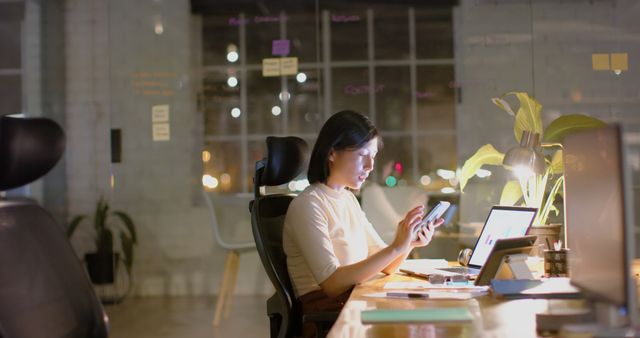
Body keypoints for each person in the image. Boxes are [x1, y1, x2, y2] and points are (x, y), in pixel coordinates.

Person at [283, 110, 443, 337]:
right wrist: (396, 247)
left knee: (431, 315)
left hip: (354, 304)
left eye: (374, 156)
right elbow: (332, 284)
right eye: (362, 155)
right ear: (332, 153)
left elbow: (387, 265)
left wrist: (408, 242)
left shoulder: (348, 199)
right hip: (331, 318)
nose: (370, 166)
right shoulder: (307, 205)